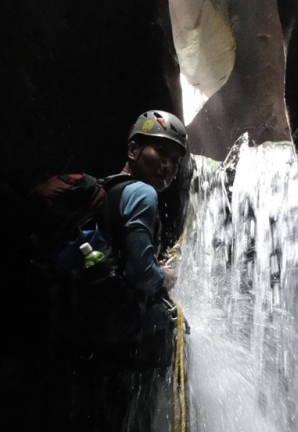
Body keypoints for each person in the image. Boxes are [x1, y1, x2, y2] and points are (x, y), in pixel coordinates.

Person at [29, 110, 188, 367]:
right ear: (133, 150)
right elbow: (141, 275)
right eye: (160, 152)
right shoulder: (144, 194)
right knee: (176, 324)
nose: (167, 165)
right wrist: (165, 277)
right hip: (109, 324)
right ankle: (156, 403)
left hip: (75, 315)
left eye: (174, 160)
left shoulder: (108, 188)